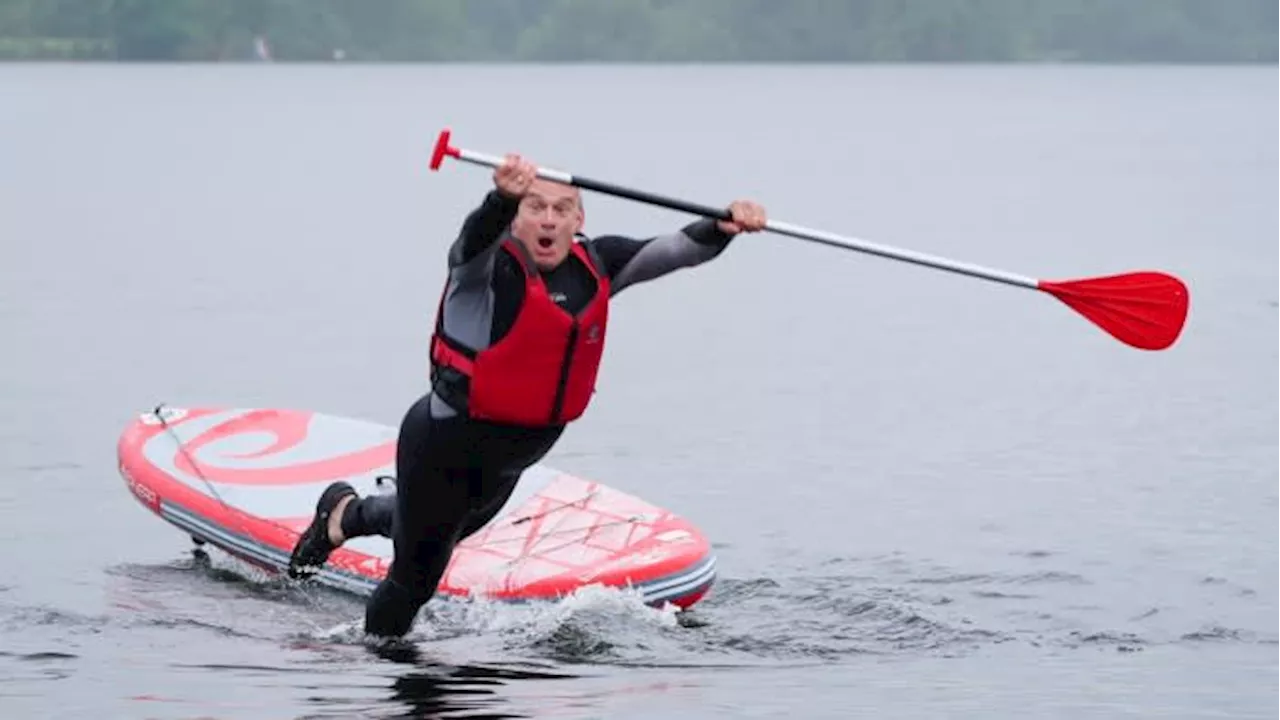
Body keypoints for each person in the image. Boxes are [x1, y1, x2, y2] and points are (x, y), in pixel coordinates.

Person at [286, 153, 768, 638]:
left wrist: (725, 225)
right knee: (414, 581)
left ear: (579, 220)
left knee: (437, 529)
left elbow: (680, 248)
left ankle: (343, 515)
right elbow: (471, 239)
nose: (548, 219)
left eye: (562, 209)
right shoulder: (484, 271)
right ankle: (384, 667)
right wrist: (500, 198)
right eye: (535, 206)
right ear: (516, 216)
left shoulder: (597, 266)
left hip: (504, 468)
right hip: (441, 447)